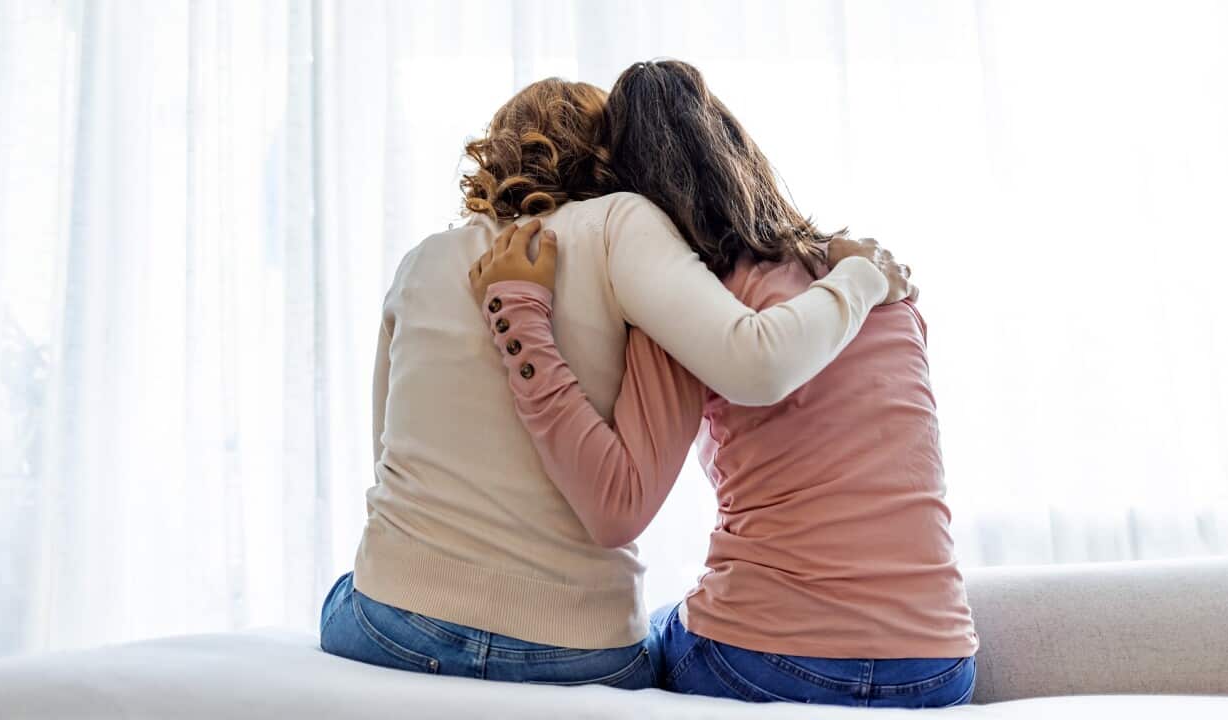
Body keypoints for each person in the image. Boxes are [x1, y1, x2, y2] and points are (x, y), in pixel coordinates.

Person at [319, 77, 914, 688]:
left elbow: (387, 458)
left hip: (392, 623)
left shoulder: (421, 259)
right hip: (577, 647)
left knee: (347, 588)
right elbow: (751, 362)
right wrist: (859, 276)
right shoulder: (624, 225)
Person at [469, 60, 977, 707]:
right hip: (938, 663)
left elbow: (615, 508)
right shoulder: (880, 283)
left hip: (767, 658)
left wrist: (523, 326)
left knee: (634, 641)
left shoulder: (688, 306)